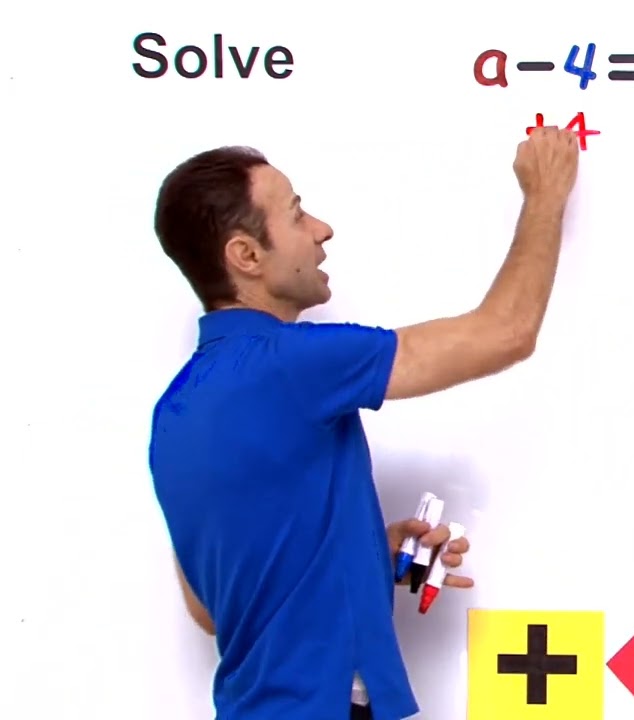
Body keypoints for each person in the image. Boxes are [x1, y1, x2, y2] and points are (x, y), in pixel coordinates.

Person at [147, 126, 582, 719]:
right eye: (296, 215)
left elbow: (213, 607)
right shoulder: (289, 363)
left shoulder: (174, 412)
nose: (320, 229)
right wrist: (545, 195)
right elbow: (505, 333)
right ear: (246, 256)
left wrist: (363, 552)